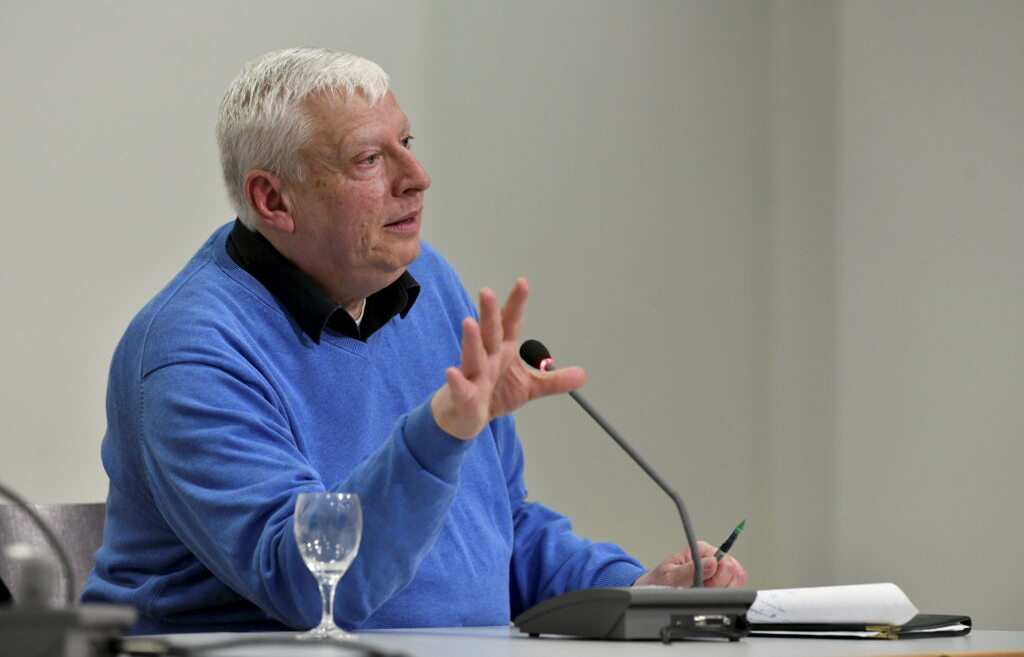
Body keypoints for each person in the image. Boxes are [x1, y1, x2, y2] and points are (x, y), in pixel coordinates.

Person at [82, 47, 746, 634]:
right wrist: (441, 431)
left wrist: (633, 593)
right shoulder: (191, 352)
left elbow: (498, 527)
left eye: (408, 141)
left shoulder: (428, 284)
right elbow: (309, 585)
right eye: (370, 158)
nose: (417, 175)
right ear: (273, 201)